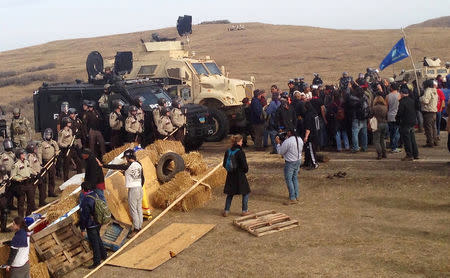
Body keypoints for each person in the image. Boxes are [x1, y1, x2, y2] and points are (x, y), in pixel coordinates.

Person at [101, 149, 144, 238]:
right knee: (139, 207)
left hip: (133, 189)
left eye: (126, 157)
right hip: (139, 188)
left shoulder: (127, 165)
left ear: (128, 157)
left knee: (133, 209)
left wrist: (103, 165)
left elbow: (115, 167)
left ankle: (136, 229)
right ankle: (140, 226)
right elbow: (142, 177)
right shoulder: (139, 164)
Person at [79, 181, 107, 269]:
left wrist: (82, 229)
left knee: (94, 243)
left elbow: (84, 216)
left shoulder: (86, 200)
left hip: (91, 225)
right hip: (98, 222)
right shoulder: (96, 195)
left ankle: (96, 261)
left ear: (83, 189)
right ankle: (104, 255)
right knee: (98, 239)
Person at [222, 135, 250, 217]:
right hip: (240, 175)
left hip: (230, 175)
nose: (242, 143)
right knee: (246, 192)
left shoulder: (228, 151)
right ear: (238, 142)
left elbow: (224, 164)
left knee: (230, 194)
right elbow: (244, 166)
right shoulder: (240, 152)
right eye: (241, 141)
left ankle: (226, 211)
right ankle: (244, 211)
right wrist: (245, 171)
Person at [276, 129, 303, 205]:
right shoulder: (299, 139)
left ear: (289, 132)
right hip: (298, 160)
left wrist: (278, 143)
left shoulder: (288, 141)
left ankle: (292, 197)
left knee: (289, 180)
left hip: (290, 162)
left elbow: (280, 152)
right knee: (294, 178)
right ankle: (296, 195)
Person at [396, 87, 419, 161]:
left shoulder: (402, 102)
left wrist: (397, 119)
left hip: (405, 122)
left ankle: (409, 154)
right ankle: (415, 154)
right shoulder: (412, 101)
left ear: (402, 94)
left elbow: (400, 113)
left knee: (407, 139)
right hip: (412, 121)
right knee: (412, 138)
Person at [10, 149, 34, 218]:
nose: (24, 155)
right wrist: (19, 179)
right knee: (21, 203)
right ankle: (21, 218)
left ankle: (28, 215)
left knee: (31, 200)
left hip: (28, 183)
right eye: (23, 154)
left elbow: (30, 170)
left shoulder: (26, 162)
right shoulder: (16, 165)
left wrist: (36, 173)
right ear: (19, 155)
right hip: (21, 185)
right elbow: (13, 176)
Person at [37, 128, 59, 198]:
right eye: (47, 135)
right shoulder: (41, 144)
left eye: (49, 135)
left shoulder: (54, 143)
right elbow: (39, 153)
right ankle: (43, 195)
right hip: (45, 162)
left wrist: (56, 153)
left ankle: (51, 192)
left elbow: (57, 149)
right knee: (44, 179)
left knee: (52, 178)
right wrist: (40, 163)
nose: (48, 136)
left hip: (52, 162)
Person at [420, 79, 438, 147]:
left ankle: (430, 142)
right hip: (434, 111)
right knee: (433, 128)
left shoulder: (428, 90)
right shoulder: (434, 90)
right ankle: (435, 140)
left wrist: (420, 98)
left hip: (428, 111)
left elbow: (426, 101)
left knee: (428, 128)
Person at [26, 142, 45, 207]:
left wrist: (42, 168)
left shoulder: (35, 156)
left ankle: (42, 202)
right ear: (31, 150)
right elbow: (29, 168)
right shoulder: (30, 157)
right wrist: (35, 174)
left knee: (42, 189)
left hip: (39, 175)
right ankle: (32, 206)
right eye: (35, 149)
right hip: (34, 177)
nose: (36, 149)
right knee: (32, 192)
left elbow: (37, 164)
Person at [303, 102, 319, 170]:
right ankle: (307, 162)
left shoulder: (308, 115)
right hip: (316, 133)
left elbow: (308, 128)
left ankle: (314, 163)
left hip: (311, 136)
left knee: (311, 149)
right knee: (307, 149)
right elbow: (317, 125)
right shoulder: (315, 113)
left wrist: (306, 137)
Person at [386, 82, 402, 153]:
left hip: (390, 115)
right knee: (397, 132)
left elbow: (386, 107)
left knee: (392, 132)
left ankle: (392, 145)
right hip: (397, 115)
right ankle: (394, 147)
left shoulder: (388, 96)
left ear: (391, 88)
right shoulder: (400, 95)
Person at [0, 166, 11, 232]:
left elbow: (9, 184)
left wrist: (8, 182)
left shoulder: (5, 175)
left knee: (4, 211)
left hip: (2, 196)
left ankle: (3, 228)